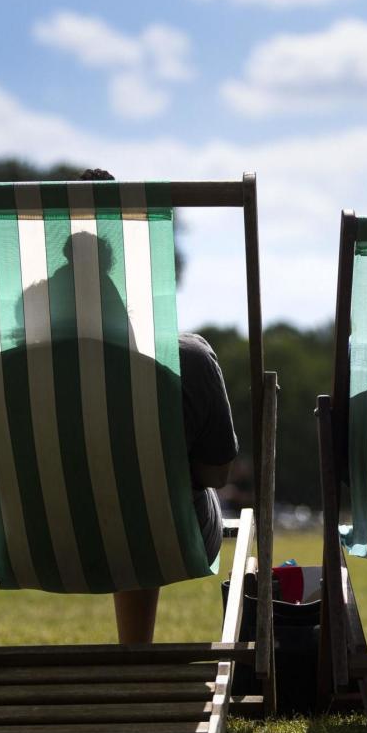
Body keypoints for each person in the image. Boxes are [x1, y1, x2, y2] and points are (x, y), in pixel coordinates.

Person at [75, 170, 239, 645]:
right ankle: (135, 650)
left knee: (122, 492)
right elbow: (215, 473)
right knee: (148, 495)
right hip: (160, 537)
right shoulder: (182, 360)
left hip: (30, 544)